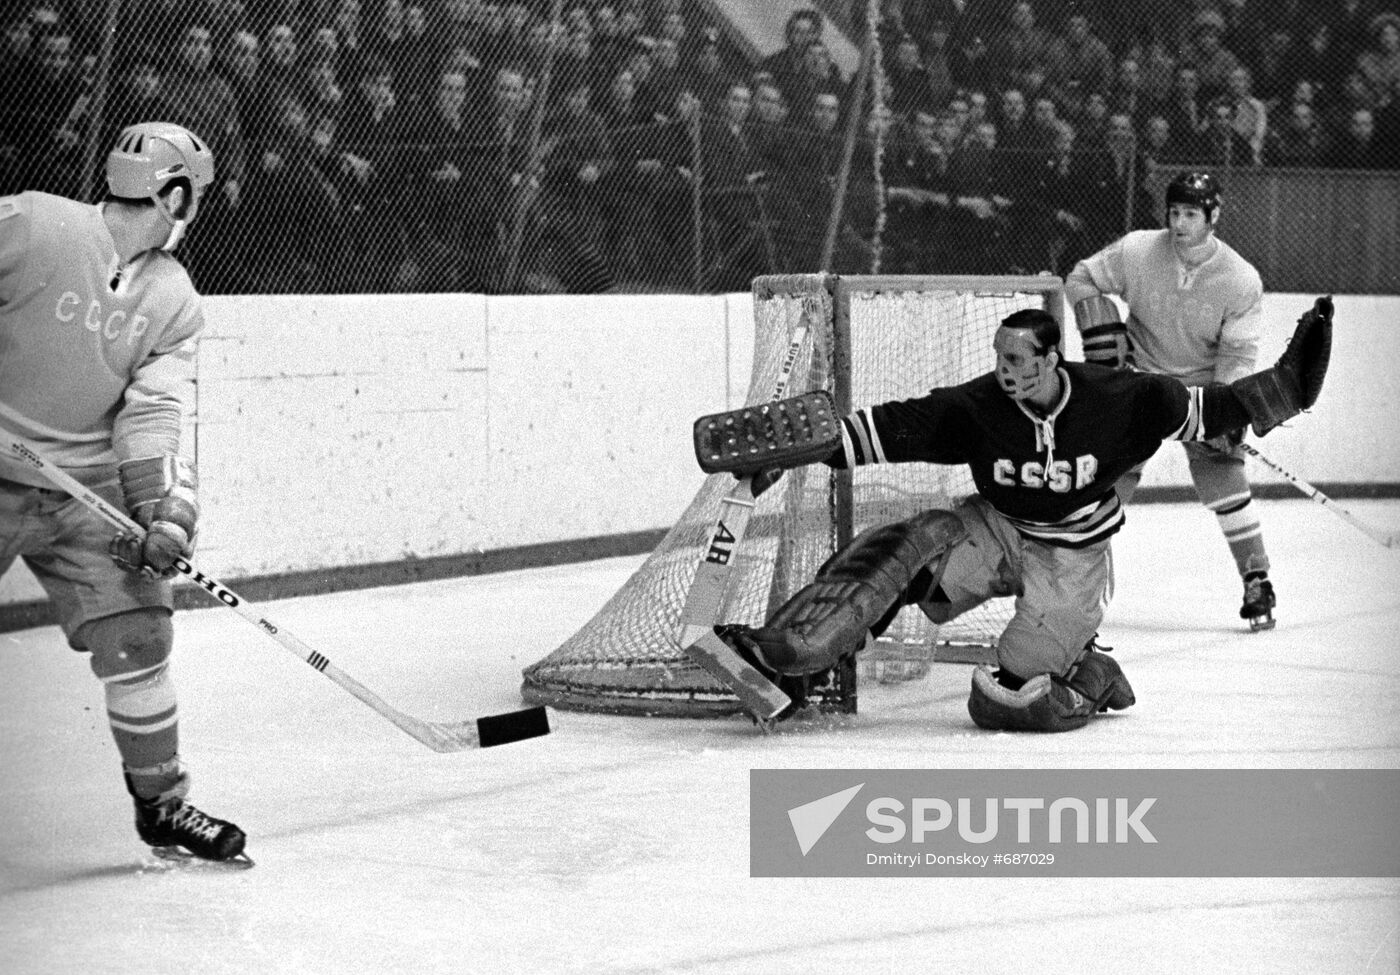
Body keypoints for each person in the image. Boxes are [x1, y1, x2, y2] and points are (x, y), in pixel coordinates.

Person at [707, 298, 1331, 732]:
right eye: (1000, 358)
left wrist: (1290, 386)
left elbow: (1221, 408)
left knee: (1009, 702)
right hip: (999, 528)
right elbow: (890, 428)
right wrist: (805, 451)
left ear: (1052, 359)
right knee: (904, 545)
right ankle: (792, 659)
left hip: (1074, 558)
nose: (1004, 372)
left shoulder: (1125, 400)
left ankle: (1089, 672)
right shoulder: (980, 405)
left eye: (1017, 361)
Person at [0, 122, 247, 863]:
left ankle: (163, 806)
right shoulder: (35, 224)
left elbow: (154, 411)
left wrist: (164, 511)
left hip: (82, 488)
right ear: (174, 193)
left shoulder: (175, 298)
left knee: (140, 634)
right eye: (194, 195)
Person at [1064, 171, 1278, 630]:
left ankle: (1256, 578)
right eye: (1174, 212)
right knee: (1109, 478)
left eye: (1191, 214)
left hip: (1201, 389)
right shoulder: (1138, 249)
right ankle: (1072, 580)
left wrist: (1226, 413)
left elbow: (1238, 354)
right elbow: (1080, 278)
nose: (1179, 223)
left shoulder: (1241, 279)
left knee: (1223, 481)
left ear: (1213, 217)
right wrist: (1101, 332)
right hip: (1139, 380)